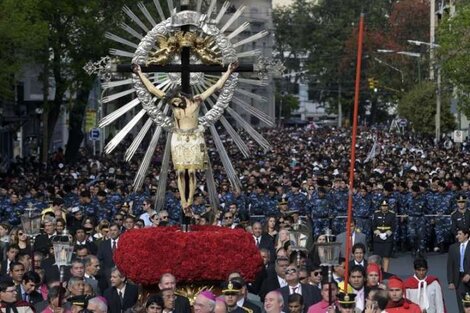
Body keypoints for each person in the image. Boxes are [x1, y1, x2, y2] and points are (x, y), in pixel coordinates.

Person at [132, 62, 238, 210]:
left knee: (192, 171)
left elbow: (216, 87)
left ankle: (189, 199)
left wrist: (228, 71)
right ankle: (183, 200)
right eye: (173, 101)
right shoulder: (173, 103)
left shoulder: (197, 101)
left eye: (176, 100)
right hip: (179, 138)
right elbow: (152, 89)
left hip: (194, 138)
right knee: (181, 171)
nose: (174, 103)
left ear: (182, 96)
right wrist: (140, 73)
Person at [447, 228, 470, 313]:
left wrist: (469, 274)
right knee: (462, 303)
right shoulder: (453, 248)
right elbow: (450, 265)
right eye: (457, 234)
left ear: (466, 235)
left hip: (468, 276)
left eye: (460, 234)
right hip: (459, 279)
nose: (457, 236)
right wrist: (450, 281)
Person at [372, 200, 396, 272]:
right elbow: (373, 226)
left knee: (386, 256)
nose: (384, 207)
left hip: (388, 238)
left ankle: (385, 273)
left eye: (386, 206)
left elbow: (393, 226)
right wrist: (379, 233)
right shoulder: (376, 214)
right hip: (378, 237)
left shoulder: (392, 214)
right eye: (383, 206)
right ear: (380, 206)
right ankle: (377, 272)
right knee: (377, 257)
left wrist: (386, 234)